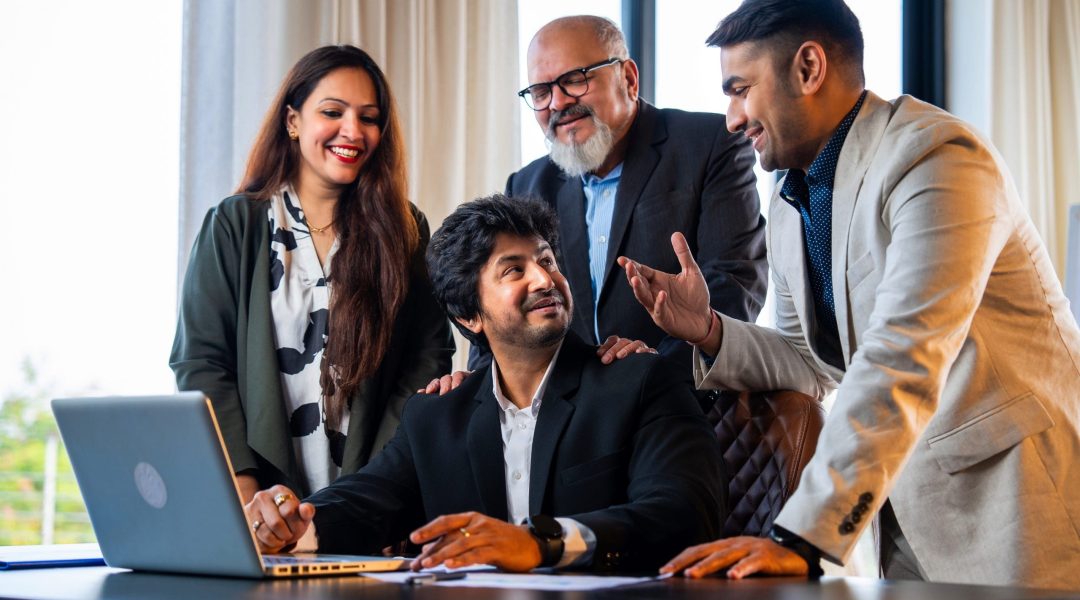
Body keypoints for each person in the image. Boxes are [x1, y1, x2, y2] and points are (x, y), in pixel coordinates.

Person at [619, 0, 1080, 590]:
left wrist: (800, 536)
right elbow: (809, 361)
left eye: (740, 89)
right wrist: (709, 329)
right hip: (906, 518)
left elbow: (903, 353)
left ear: (808, 68)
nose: (731, 118)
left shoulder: (936, 160)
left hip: (1015, 510)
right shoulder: (792, 202)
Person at [244, 194, 726, 573]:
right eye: (514, 271)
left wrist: (542, 542)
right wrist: (291, 524)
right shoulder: (436, 414)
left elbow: (684, 513)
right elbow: (365, 503)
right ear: (469, 315)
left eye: (547, 261)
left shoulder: (640, 380)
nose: (544, 279)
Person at [170, 45, 454, 503]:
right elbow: (201, 363)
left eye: (369, 117)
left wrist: (379, 492)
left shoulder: (405, 229)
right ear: (293, 121)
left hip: (370, 498)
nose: (352, 131)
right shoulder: (236, 224)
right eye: (332, 111)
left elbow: (427, 361)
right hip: (257, 497)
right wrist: (245, 493)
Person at [467, 15, 767, 372]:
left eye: (574, 80)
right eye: (541, 92)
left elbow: (734, 282)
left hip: (679, 395)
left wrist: (650, 372)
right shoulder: (526, 185)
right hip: (564, 412)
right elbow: (499, 311)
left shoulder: (711, 143)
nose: (558, 103)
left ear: (628, 78)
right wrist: (473, 388)